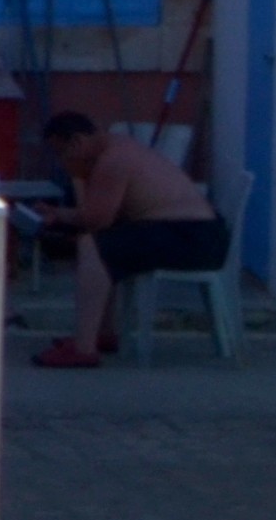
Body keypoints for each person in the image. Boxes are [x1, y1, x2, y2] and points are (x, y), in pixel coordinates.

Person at [20, 110, 220, 368]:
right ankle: (100, 334)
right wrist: (59, 213)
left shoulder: (112, 160)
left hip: (191, 237)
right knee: (104, 244)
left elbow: (96, 219)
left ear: (78, 142)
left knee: (93, 245)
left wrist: (73, 184)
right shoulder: (116, 147)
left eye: (61, 153)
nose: (61, 161)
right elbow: (101, 216)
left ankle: (83, 349)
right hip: (196, 233)